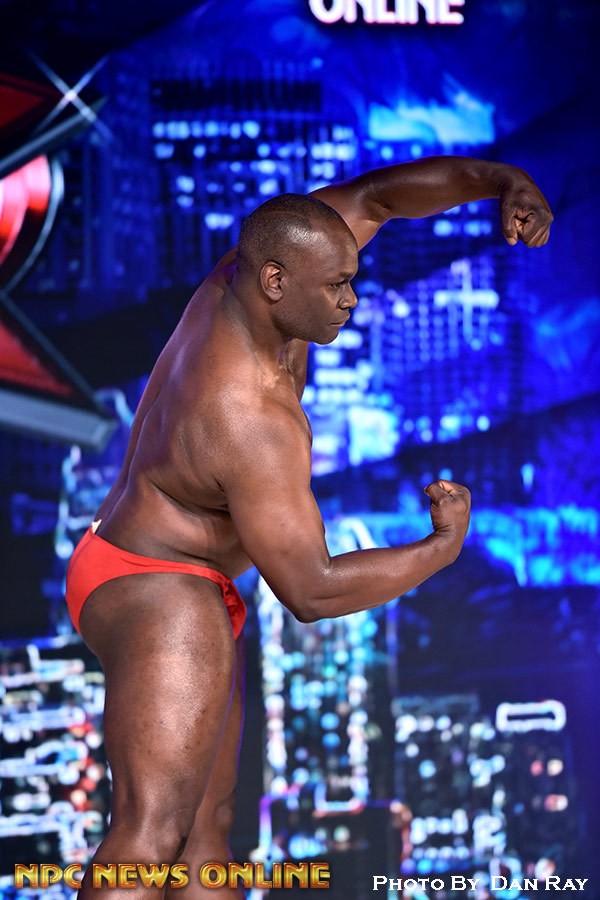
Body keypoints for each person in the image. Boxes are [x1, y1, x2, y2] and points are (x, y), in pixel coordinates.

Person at [66, 155, 552, 897]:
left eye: (351, 279)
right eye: (337, 287)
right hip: (156, 585)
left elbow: (378, 197)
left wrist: (500, 181)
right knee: (151, 833)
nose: (351, 299)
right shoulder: (248, 416)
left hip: (165, 570)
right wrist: (439, 548)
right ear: (275, 282)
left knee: (208, 831)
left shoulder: (259, 267)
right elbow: (311, 590)